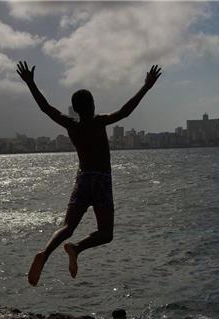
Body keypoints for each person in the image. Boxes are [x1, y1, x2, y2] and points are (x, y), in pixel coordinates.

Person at [16, 61, 161, 286]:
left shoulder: (70, 125)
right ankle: (77, 248)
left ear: (76, 109)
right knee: (105, 233)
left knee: (67, 227)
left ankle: (45, 254)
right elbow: (125, 111)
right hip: (101, 180)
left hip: (82, 180)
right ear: (92, 105)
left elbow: (46, 108)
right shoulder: (99, 122)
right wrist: (146, 86)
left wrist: (31, 83)